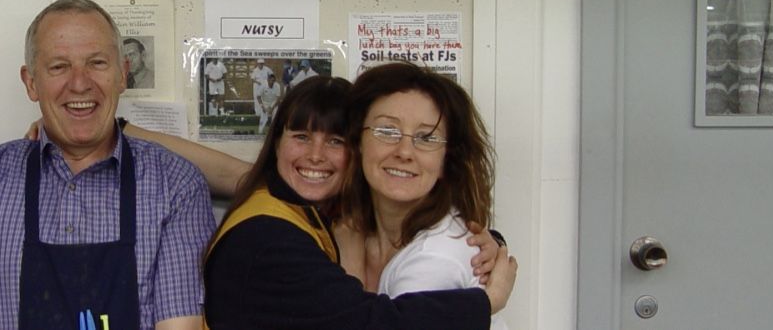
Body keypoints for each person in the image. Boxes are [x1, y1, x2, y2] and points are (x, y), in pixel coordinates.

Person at [129, 76, 514, 329]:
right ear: (277, 142)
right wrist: (484, 302)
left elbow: (228, 170)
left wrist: (481, 241)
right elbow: (369, 323)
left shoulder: (301, 204)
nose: (315, 156)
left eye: (335, 141)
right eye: (300, 136)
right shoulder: (268, 239)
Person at [0, 0, 215, 330]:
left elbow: (179, 325)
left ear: (123, 74)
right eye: (59, 66)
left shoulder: (177, 184)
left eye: (97, 63)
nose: (80, 83)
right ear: (31, 82)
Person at [335, 62, 508, 328]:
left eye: (426, 138)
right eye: (387, 131)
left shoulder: (437, 258)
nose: (405, 151)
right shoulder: (352, 225)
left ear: (446, 161)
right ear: (357, 142)